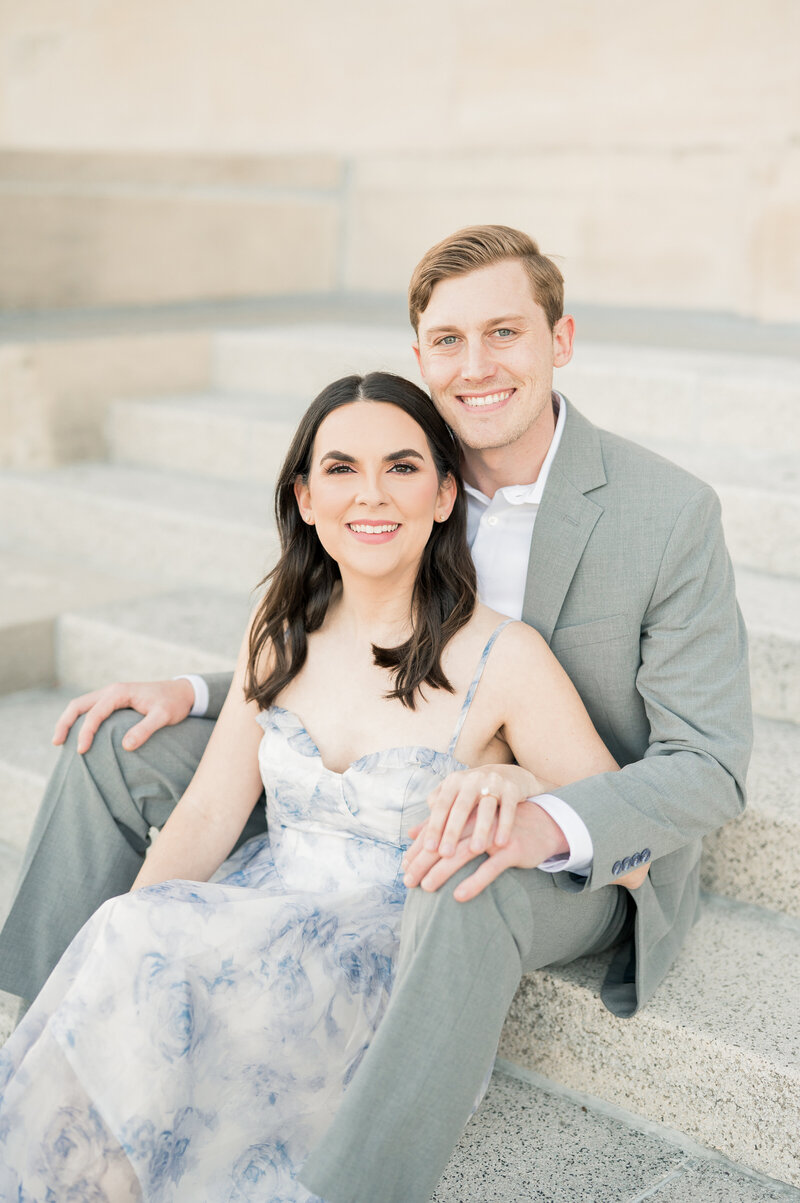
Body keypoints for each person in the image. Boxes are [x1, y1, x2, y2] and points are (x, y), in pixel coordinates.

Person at [0, 225, 752, 1200]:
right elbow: (361, 648)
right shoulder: (397, 468)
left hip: (571, 827)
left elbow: (709, 767)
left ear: (557, 340)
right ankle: (49, 1042)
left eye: (503, 334)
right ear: (418, 357)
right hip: (386, 772)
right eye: (447, 340)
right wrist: (205, 692)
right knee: (116, 746)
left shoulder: (664, 513)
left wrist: (540, 814)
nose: (474, 366)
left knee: (459, 873)